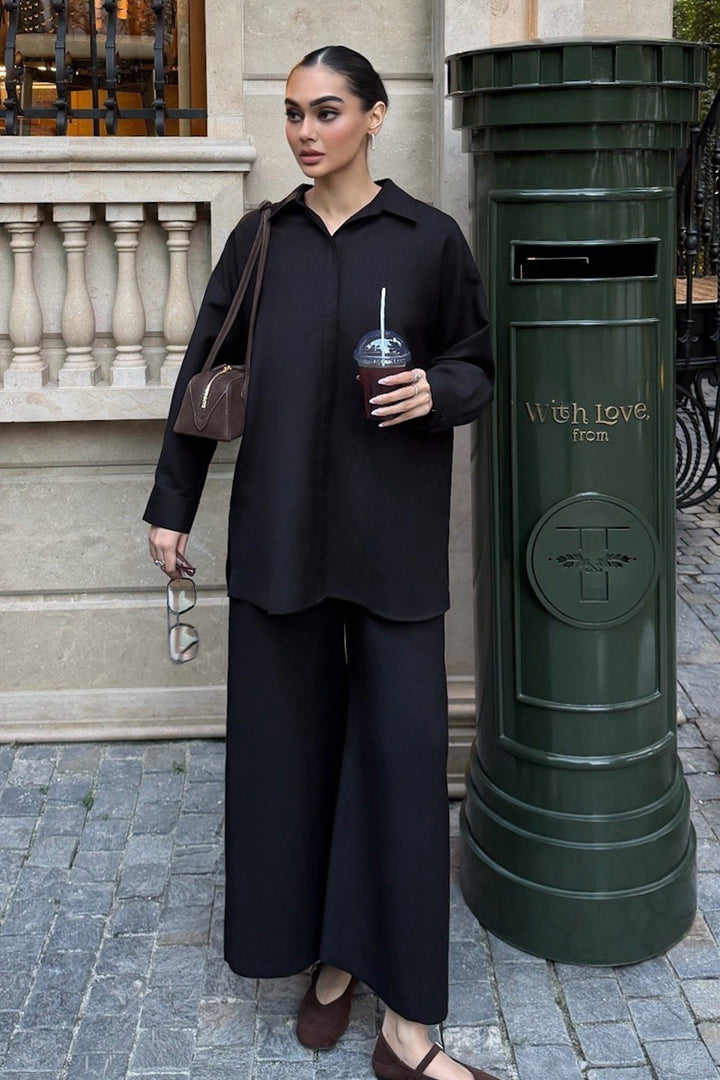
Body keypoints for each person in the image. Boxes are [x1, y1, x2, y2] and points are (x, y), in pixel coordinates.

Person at [145, 45, 497, 1080]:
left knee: (399, 760)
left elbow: (479, 360)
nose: (306, 131)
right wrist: (173, 505)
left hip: (392, 547)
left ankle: (408, 1031)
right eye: (296, 112)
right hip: (280, 539)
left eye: (328, 111)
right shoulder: (262, 238)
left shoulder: (429, 240)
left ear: (375, 117)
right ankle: (330, 961)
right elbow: (205, 371)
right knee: (289, 757)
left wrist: (439, 390)